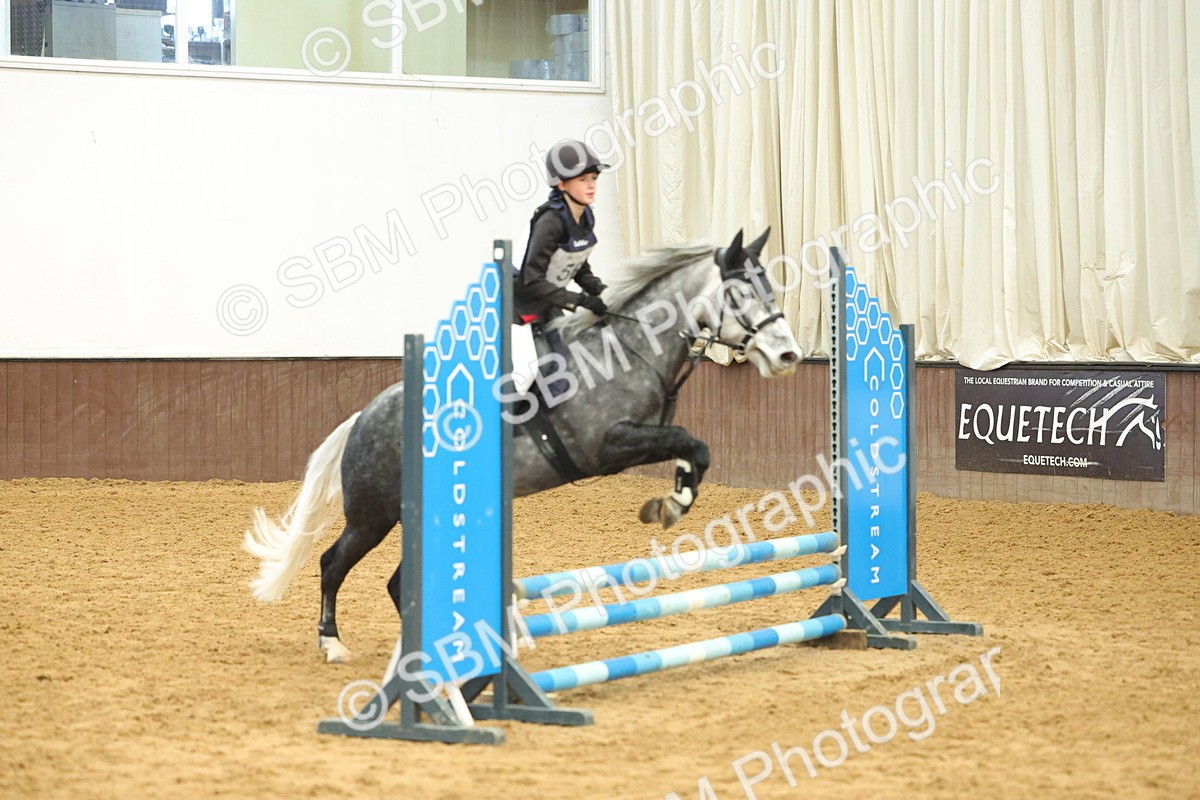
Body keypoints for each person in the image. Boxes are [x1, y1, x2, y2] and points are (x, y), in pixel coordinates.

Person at [513, 139, 610, 399]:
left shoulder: (585, 216)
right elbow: (531, 280)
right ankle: (510, 435)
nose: (591, 185)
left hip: (548, 305)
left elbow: (579, 266)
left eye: (593, 178)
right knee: (526, 374)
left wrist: (603, 293)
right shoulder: (550, 222)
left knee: (574, 367)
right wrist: (580, 301)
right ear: (561, 184)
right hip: (518, 310)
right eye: (582, 180)